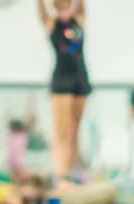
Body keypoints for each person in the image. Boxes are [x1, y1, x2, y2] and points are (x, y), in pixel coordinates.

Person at [37, 0, 90, 183]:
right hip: (62, 79)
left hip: (80, 77)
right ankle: (62, 174)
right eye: (59, 8)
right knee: (62, 132)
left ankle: (72, 172)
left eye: (66, 6)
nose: (63, 11)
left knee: (75, 130)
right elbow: (41, 12)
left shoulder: (79, 20)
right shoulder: (53, 24)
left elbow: (82, 5)